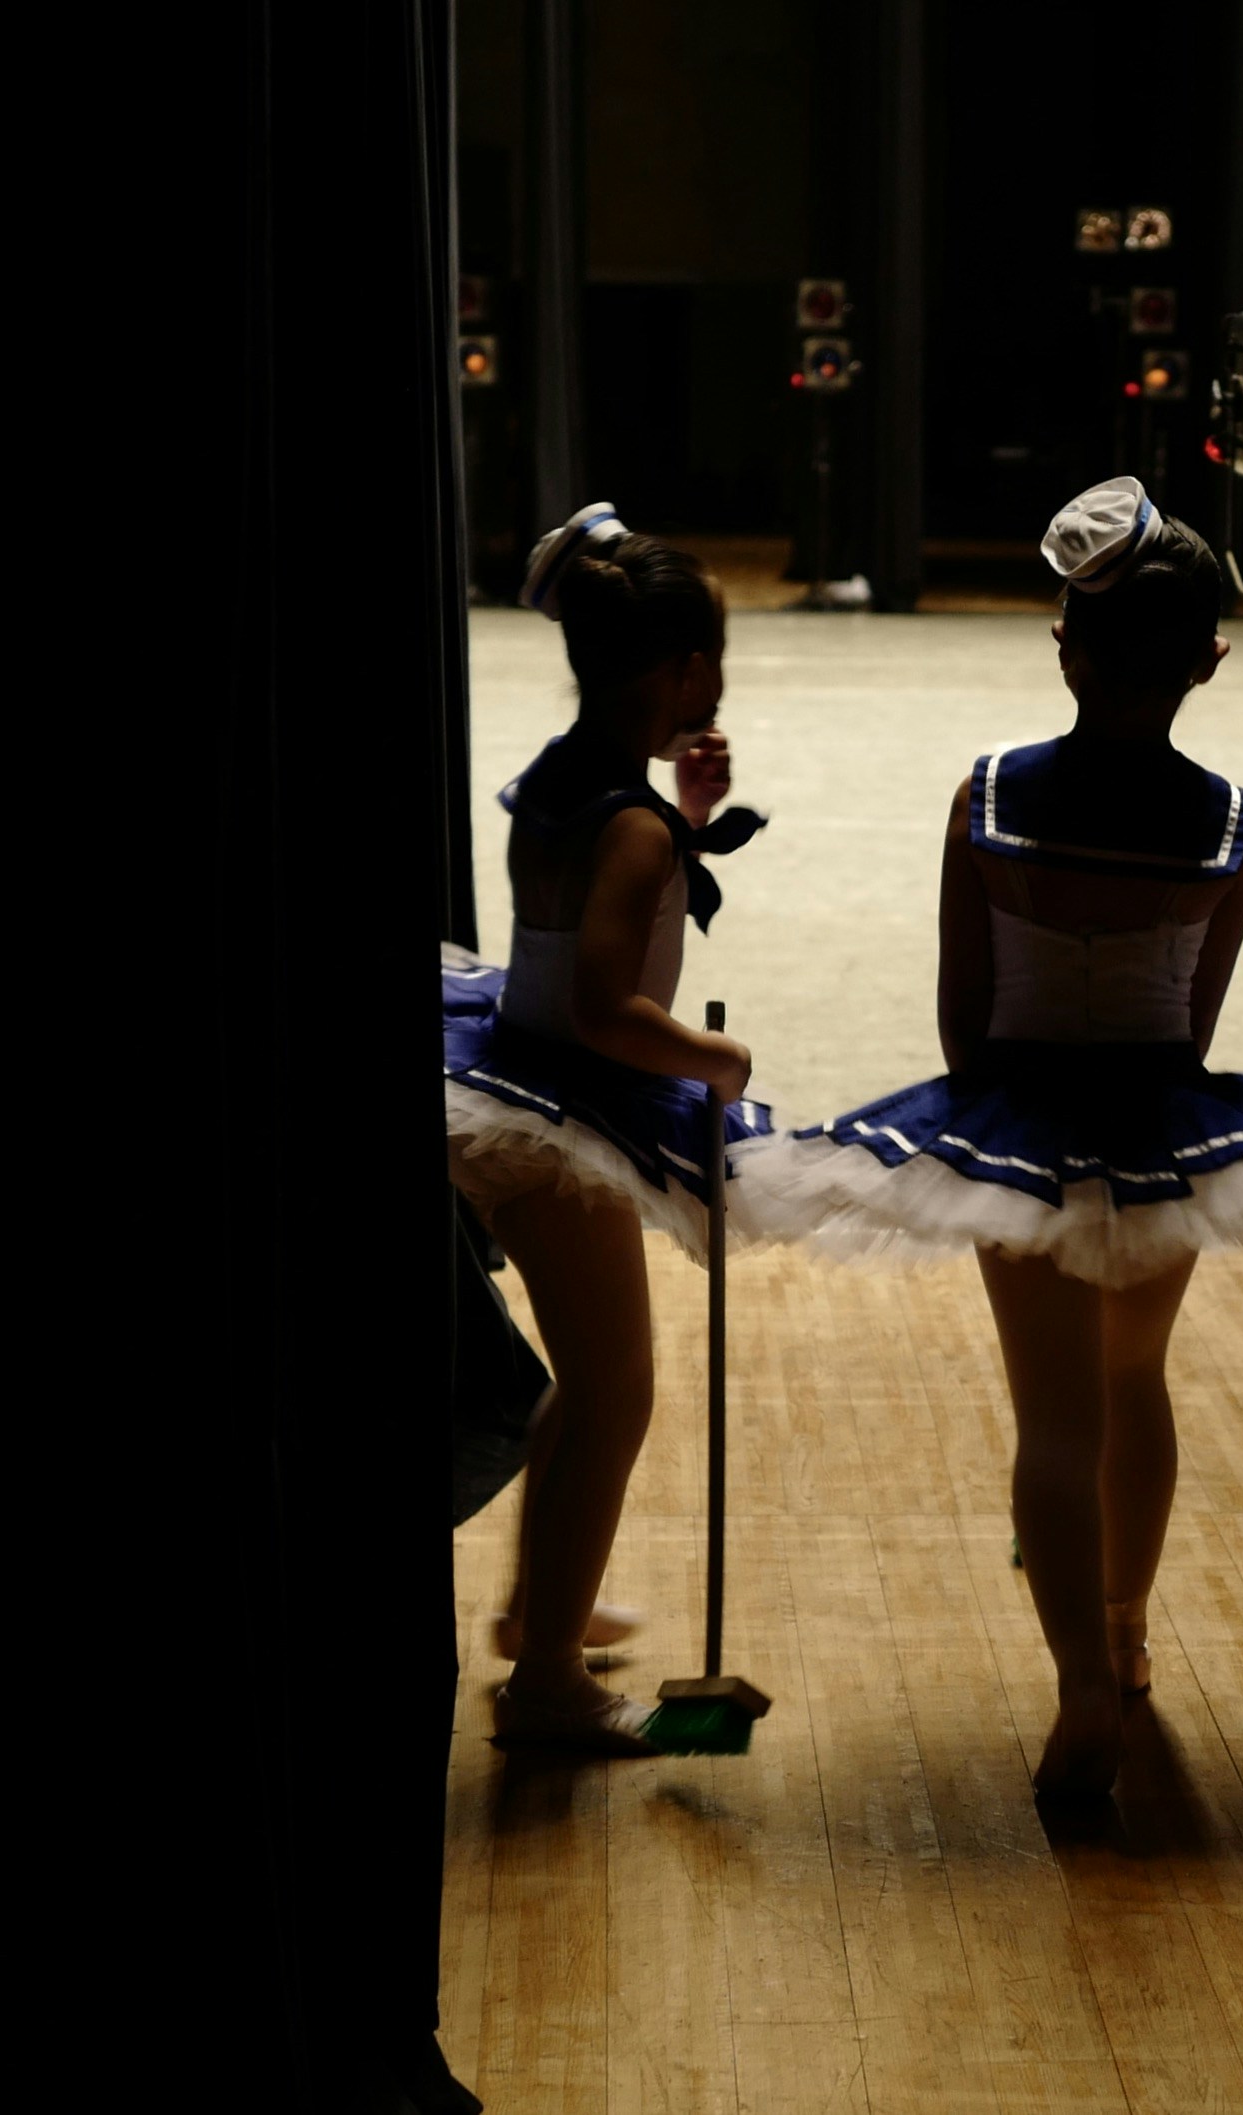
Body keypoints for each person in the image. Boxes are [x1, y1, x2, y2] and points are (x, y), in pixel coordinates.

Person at [742, 480, 1243, 1799]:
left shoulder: (990, 794)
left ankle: (1075, 1692)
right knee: (1137, 1381)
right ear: (1210, 662)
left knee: (1052, 1419)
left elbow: (963, 1016)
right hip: (1160, 1117)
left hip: (1017, 1117)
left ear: (1063, 645)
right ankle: (1123, 1638)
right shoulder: (1233, 821)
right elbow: (1195, 1012)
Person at [443, 503, 770, 1753]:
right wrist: (711, 1055)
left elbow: (588, 916)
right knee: (615, 1390)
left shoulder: (572, 784)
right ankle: (546, 1696)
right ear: (688, 673)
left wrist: (685, 816)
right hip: (562, 1112)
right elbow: (600, 1006)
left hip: (511, 1078)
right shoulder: (631, 828)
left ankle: (540, 1613)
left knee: (592, 1384)